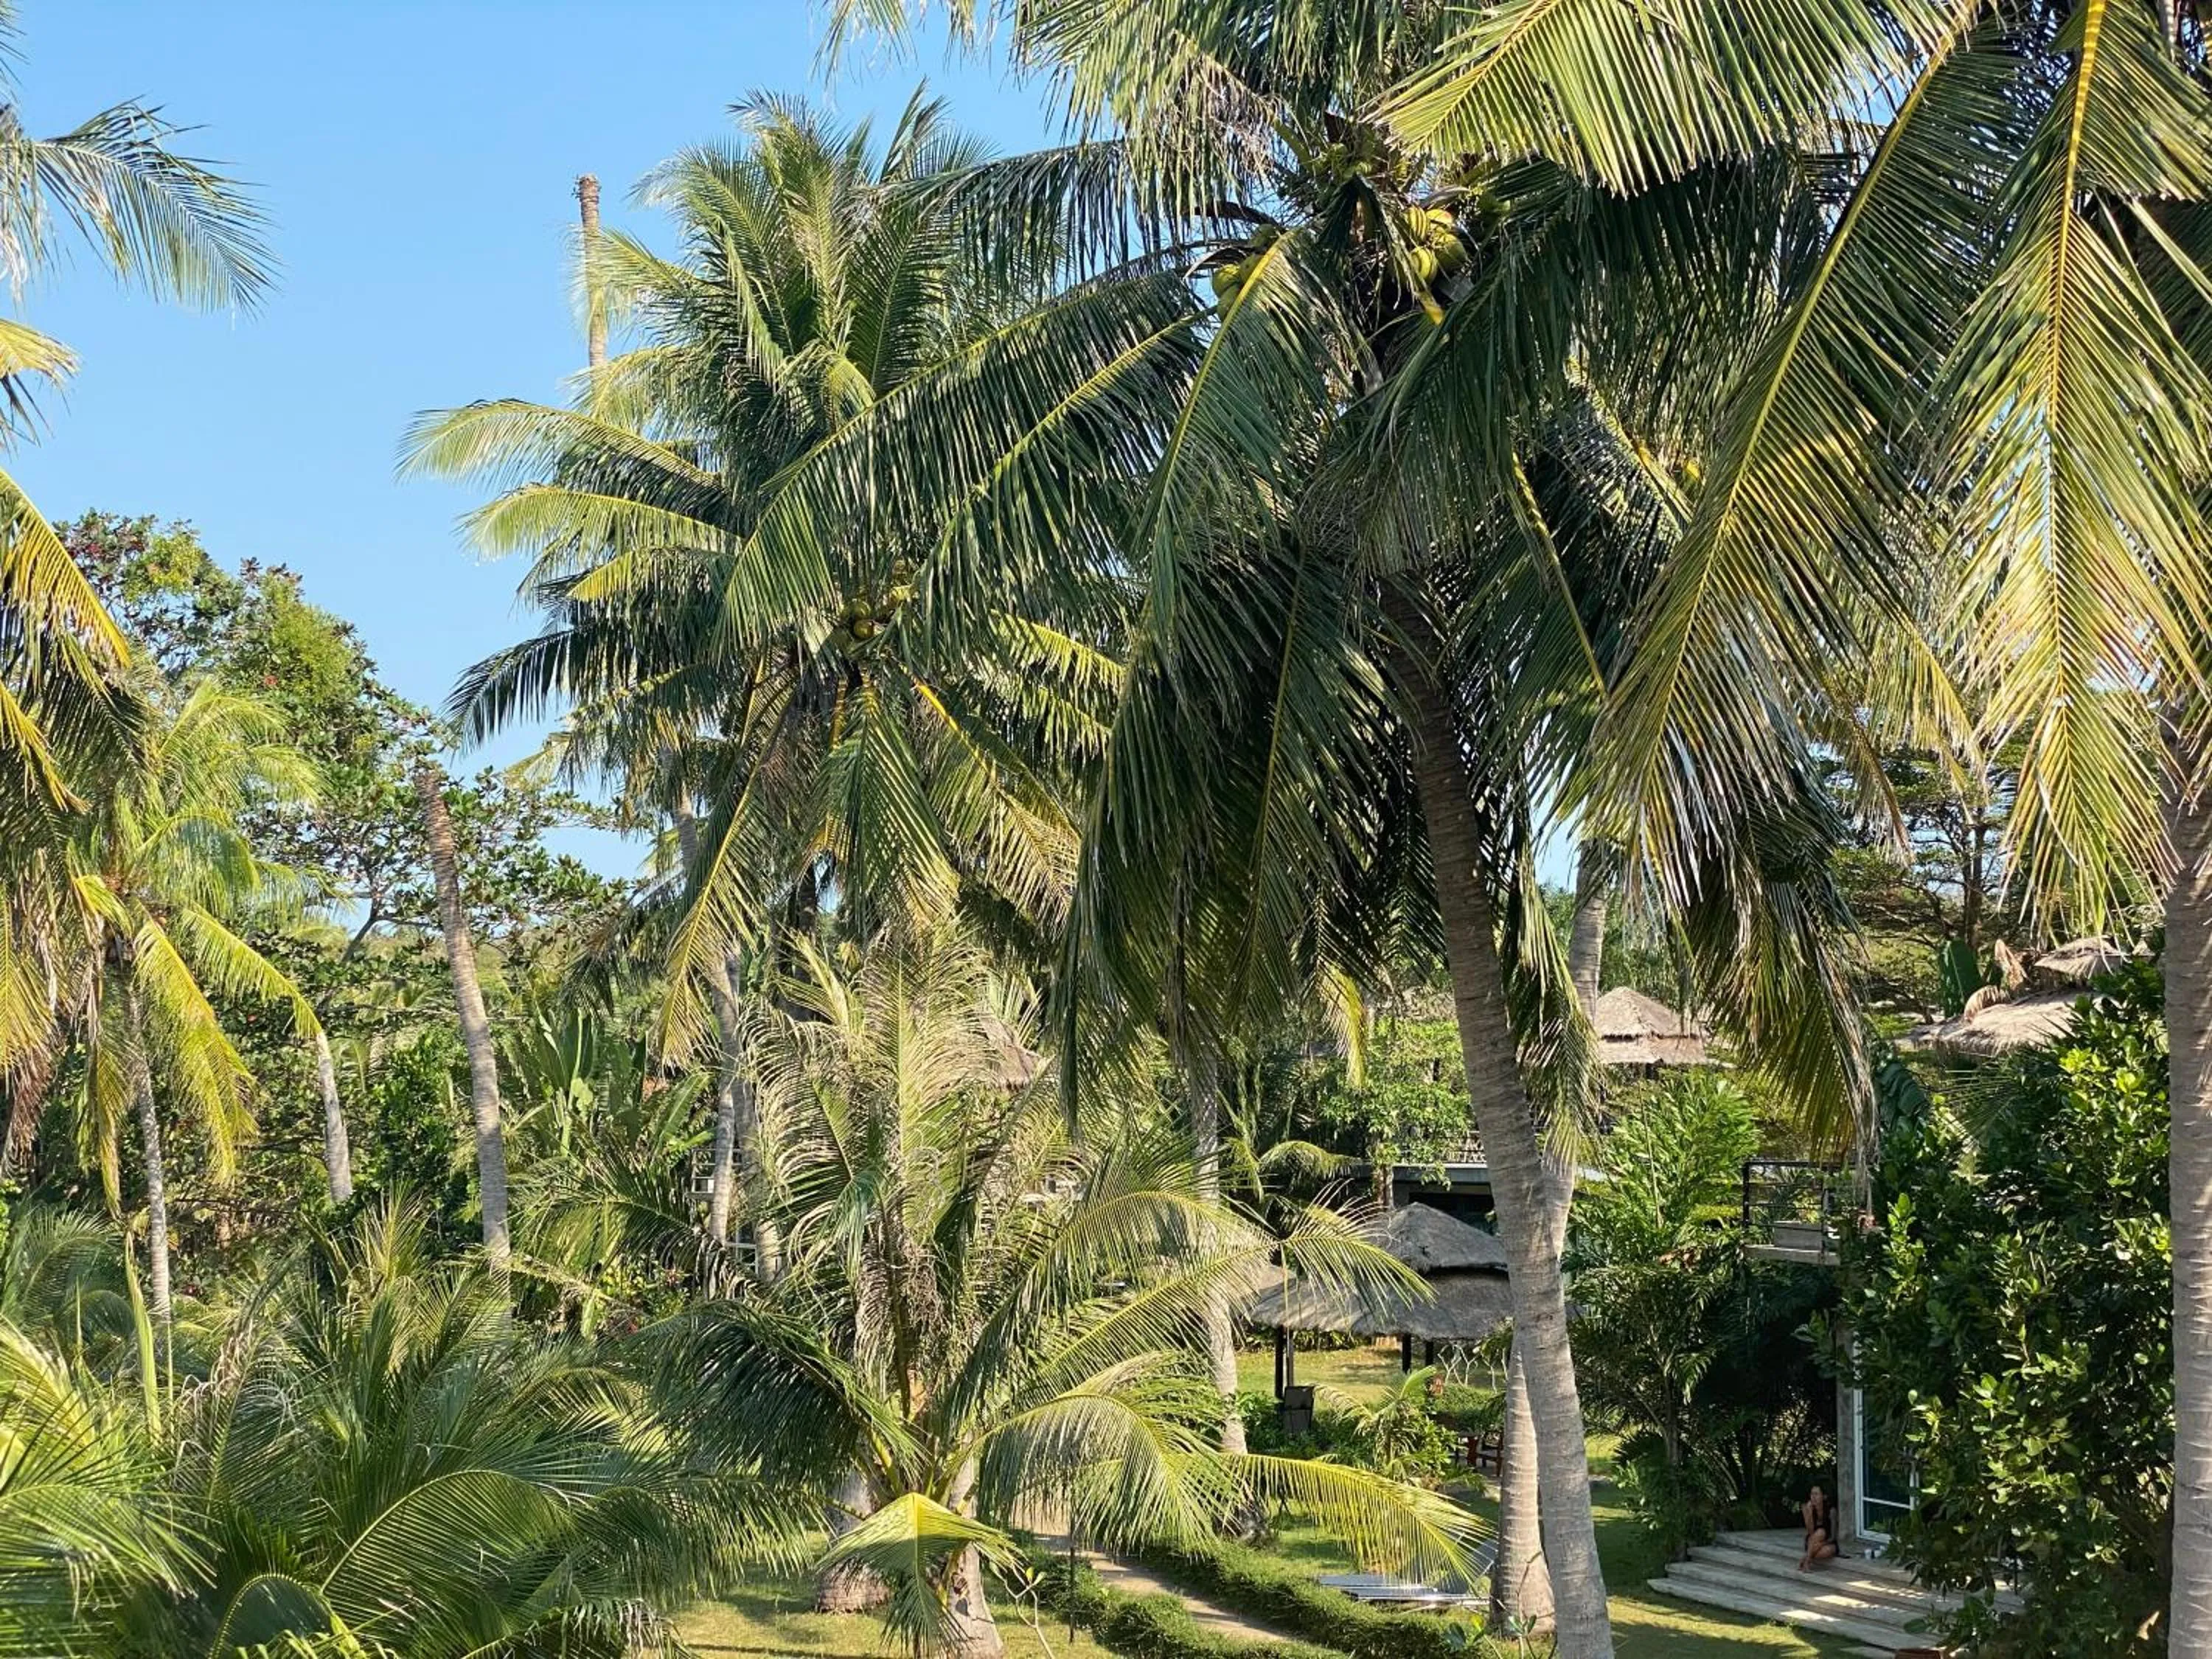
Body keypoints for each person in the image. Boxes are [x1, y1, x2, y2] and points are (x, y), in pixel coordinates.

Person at [1798, 1485, 1840, 1571]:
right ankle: (1807, 1563)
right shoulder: (1807, 1508)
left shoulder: (1831, 1511)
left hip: (1828, 1542)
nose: (1813, 1497)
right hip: (1812, 1541)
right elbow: (1810, 1532)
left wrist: (1821, 1544)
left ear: (1824, 1496)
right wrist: (1809, 1513)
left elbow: (1833, 1537)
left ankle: (1806, 1558)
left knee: (1824, 1552)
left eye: (1816, 1494)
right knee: (1820, 1532)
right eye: (1812, 1494)